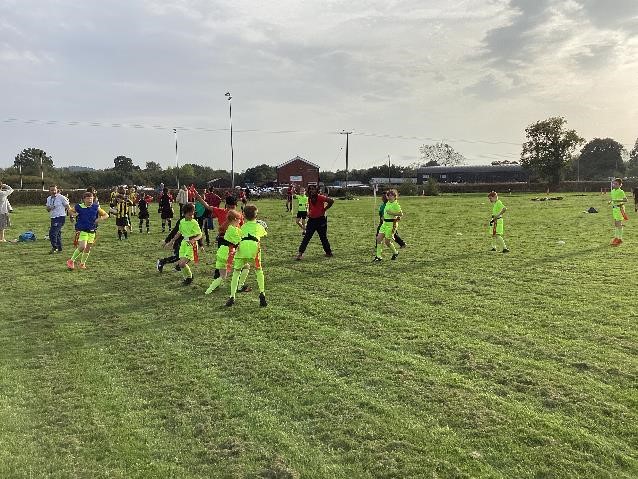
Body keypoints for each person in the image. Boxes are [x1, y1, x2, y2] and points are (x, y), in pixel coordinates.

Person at [225, 205, 268, 307]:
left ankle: (232, 296)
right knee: (258, 270)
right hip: (254, 248)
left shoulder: (242, 227)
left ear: (243, 215)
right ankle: (262, 293)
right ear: (256, 215)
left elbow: (237, 236)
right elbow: (264, 233)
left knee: (236, 272)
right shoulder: (258, 226)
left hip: (242, 247)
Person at [194, 192, 244, 279]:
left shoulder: (230, 213)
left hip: (229, 239)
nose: (231, 209)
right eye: (230, 207)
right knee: (227, 258)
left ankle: (224, 275)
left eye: (231, 207)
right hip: (228, 240)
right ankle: (223, 275)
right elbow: (207, 206)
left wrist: (198, 196)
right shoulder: (230, 213)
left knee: (228, 258)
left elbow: (207, 206)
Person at [66, 192, 109, 270]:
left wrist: (100, 219)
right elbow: (70, 211)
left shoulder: (96, 207)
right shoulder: (79, 206)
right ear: (84, 199)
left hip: (92, 230)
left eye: (91, 199)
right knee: (82, 246)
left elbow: (106, 215)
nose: (90, 200)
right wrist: (74, 214)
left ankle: (82, 264)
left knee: (88, 248)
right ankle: (71, 261)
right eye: (88, 198)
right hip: (82, 230)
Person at [205, 210, 242, 294]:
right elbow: (239, 242)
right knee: (245, 266)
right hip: (227, 253)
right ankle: (240, 286)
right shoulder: (233, 230)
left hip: (222, 252)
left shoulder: (229, 228)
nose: (240, 221)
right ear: (235, 219)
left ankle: (208, 291)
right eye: (239, 219)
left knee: (222, 276)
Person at [166, 203, 202, 285]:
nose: (192, 215)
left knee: (182, 264)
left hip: (191, 245)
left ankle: (189, 277)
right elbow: (179, 233)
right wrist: (171, 242)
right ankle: (188, 278)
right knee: (180, 264)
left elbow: (200, 234)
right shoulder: (182, 221)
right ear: (185, 213)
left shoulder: (194, 222)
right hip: (183, 244)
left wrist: (194, 240)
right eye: (190, 214)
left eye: (193, 213)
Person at [295, 184, 334, 260]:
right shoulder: (309, 198)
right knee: (306, 237)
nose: (311, 190)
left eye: (313, 189)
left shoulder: (320, 197)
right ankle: (300, 254)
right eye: (310, 189)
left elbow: (331, 201)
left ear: (316, 190)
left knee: (323, 237)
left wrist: (325, 209)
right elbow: (310, 207)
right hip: (312, 220)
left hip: (321, 220)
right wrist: (309, 213)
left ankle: (328, 253)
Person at [373, 189, 403, 261]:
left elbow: (400, 214)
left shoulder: (396, 204)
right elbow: (385, 212)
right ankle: (378, 256)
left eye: (391, 195)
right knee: (378, 238)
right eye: (388, 195)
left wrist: (392, 213)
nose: (389, 197)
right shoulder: (387, 203)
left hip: (391, 224)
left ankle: (395, 252)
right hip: (384, 224)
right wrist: (383, 217)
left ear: (395, 196)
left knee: (387, 242)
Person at [46, 185, 70, 253]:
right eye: (51, 190)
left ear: (57, 190)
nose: (53, 191)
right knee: (58, 233)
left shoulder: (61, 197)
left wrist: (71, 216)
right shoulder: (48, 198)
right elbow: (47, 209)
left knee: (52, 233)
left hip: (60, 217)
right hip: (53, 217)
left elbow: (68, 206)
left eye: (54, 190)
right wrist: (50, 208)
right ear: (49, 191)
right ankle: (59, 248)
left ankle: (55, 247)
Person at [610, 178, 628, 246]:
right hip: (614, 209)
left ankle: (619, 239)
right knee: (616, 224)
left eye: (616, 184)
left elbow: (625, 200)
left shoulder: (621, 191)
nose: (614, 185)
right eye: (613, 183)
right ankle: (616, 237)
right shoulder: (612, 191)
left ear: (620, 185)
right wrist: (611, 202)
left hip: (619, 208)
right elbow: (613, 200)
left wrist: (617, 200)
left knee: (619, 224)